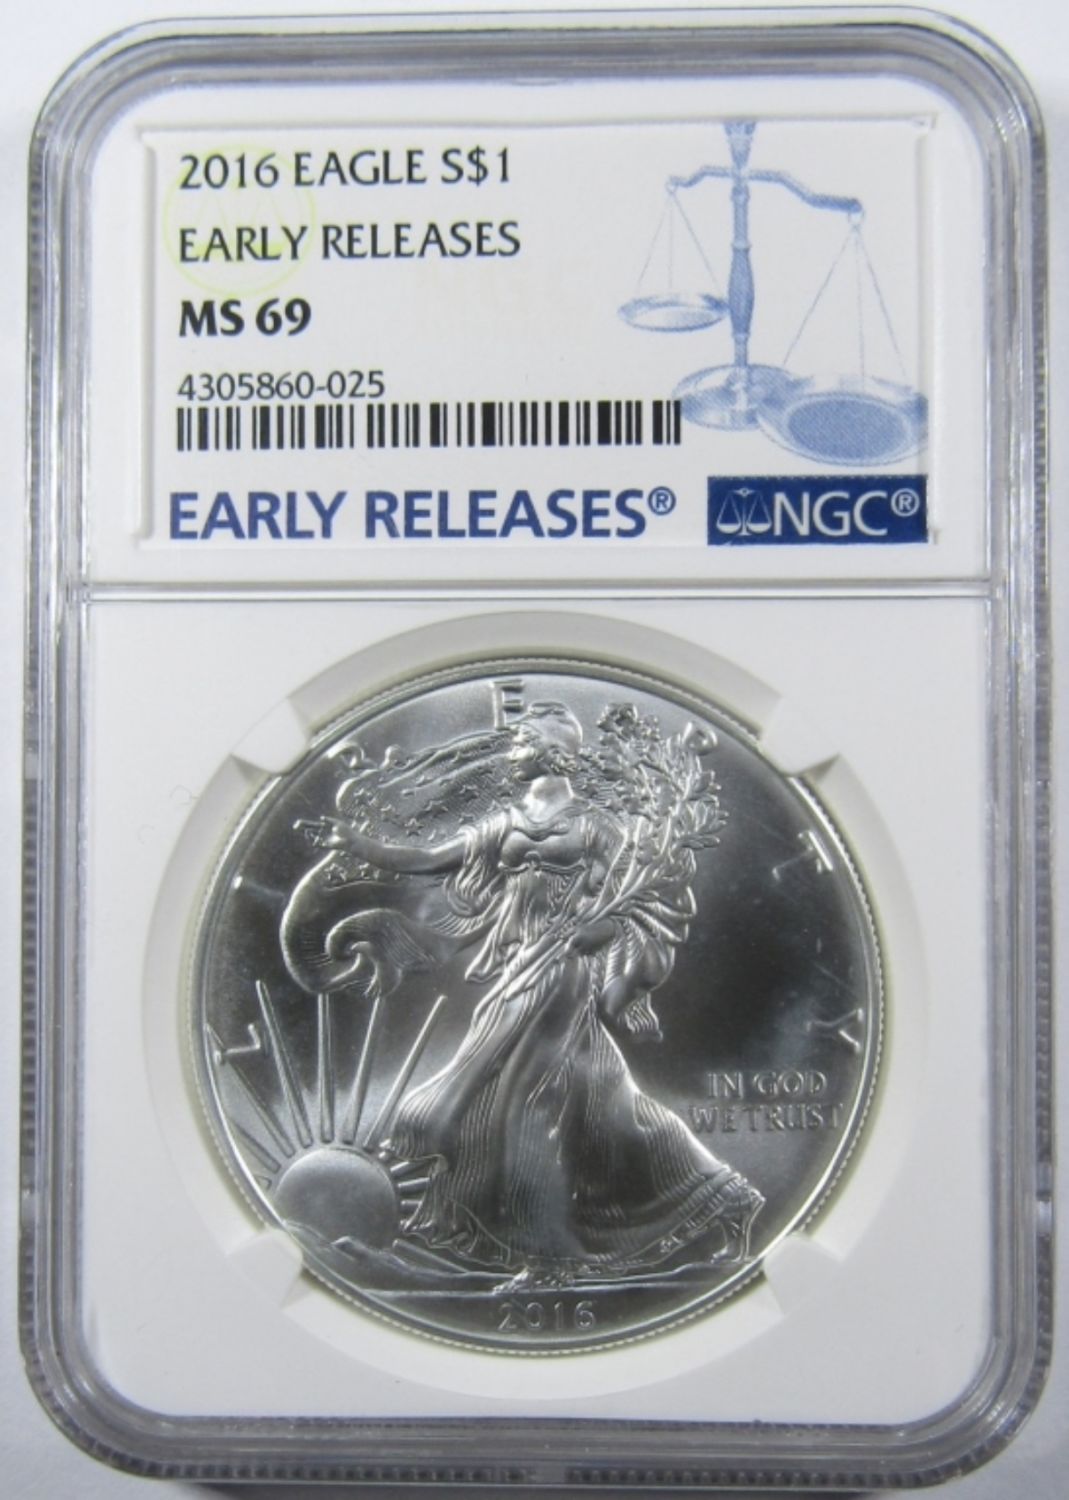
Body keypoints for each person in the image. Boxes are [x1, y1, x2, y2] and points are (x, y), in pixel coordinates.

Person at [295, 700, 762, 1281]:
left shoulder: (596, 827)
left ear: (550, 751)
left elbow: (639, 898)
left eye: (520, 741)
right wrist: (359, 845)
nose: (510, 751)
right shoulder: (507, 821)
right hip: (519, 965)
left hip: (563, 972)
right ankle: (724, 1198)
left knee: (522, 1101)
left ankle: (549, 1255)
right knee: (599, 1103)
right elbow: (432, 860)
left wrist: (603, 930)